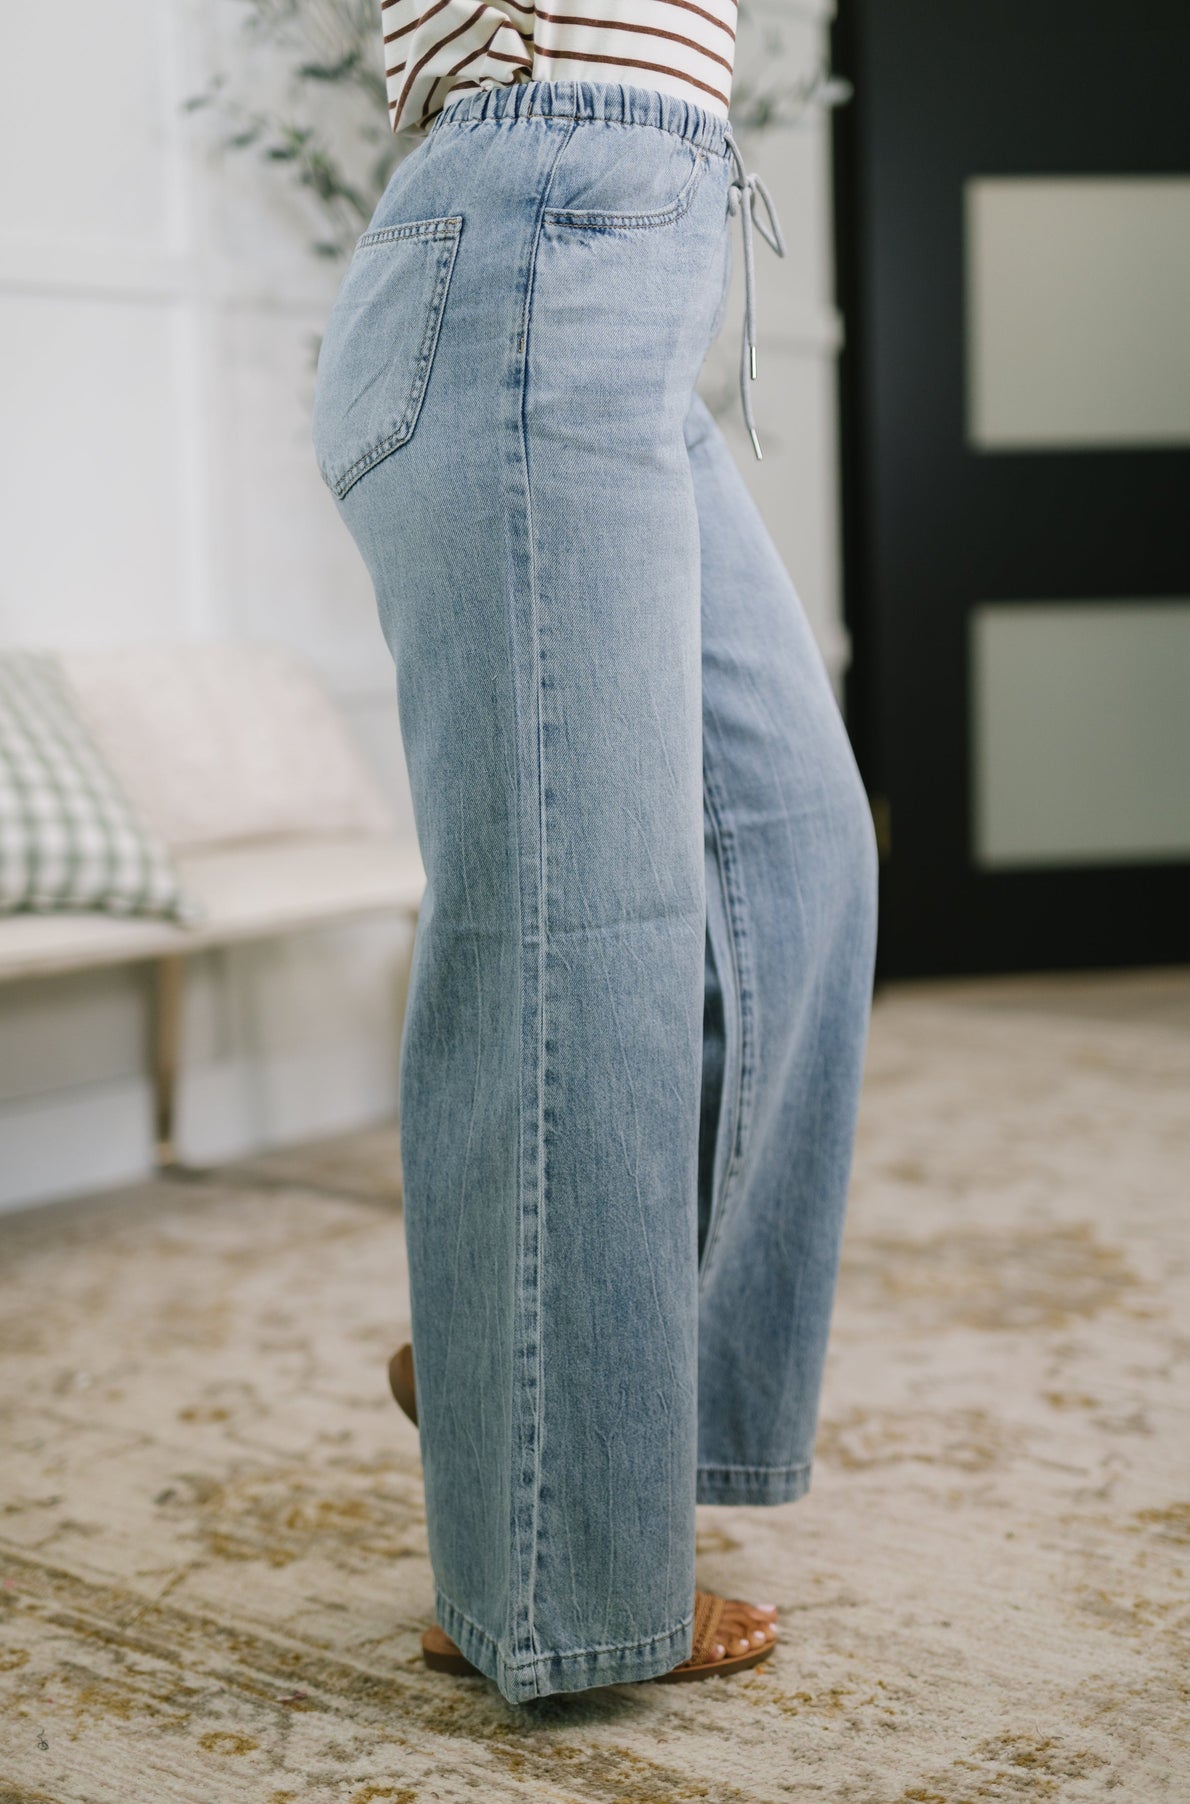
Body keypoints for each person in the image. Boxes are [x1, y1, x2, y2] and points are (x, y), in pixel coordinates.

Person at [310, 4, 878, 1704]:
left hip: (610, 257)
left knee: (795, 849)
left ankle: (530, 1385)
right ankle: (550, 1569)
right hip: (533, 250)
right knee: (578, 931)